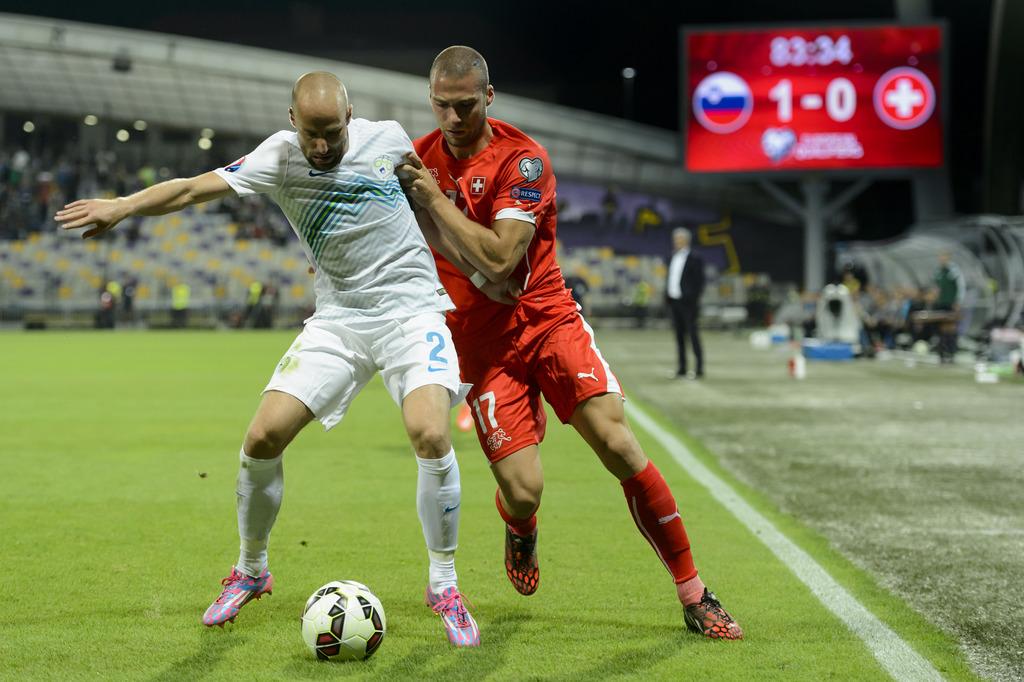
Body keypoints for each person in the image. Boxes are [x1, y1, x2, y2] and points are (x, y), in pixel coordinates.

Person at [55, 72, 480, 647]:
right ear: (291, 121)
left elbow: (428, 206)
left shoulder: (390, 139)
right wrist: (124, 206)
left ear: (351, 119)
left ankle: (444, 584)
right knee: (261, 438)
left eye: (332, 133)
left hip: (411, 312)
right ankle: (251, 570)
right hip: (339, 318)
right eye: (311, 135)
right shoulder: (277, 158)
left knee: (430, 434)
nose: (322, 147)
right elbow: (188, 189)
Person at [399, 46, 741, 640]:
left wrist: (430, 199)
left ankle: (694, 592)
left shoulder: (522, 160)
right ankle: (522, 529)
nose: (453, 119)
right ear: (431, 100)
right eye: (442, 106)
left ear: (489, 97)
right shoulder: (414, 160)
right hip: (479, 346)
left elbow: (504, 261)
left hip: (546, 320)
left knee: (617, 444)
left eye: (466, 105)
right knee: (524, 493)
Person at [666, 227, 706, 379]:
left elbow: (700, 282)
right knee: (679, 336)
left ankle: (699, 368)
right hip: (674, 301)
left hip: (688, 303)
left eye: (679, 239)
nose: (676, 242)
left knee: (693, 335)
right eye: (675, 239)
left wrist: (692, 298)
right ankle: (682, 368)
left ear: (686, 240)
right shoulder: (672, 257)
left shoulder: (695, 258)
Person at [932, 251, 965, 363]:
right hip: (940, 304)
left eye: (944, 256)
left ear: (948, 258)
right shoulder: (938, 271)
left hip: (950, 304)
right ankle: (941, 353)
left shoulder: (954, 270)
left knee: (950, 328)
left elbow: (961, 286)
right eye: (940, 256)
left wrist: (958, 301)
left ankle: (951, 353)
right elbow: (936, 287)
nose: (942, 259)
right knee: (940, 328)